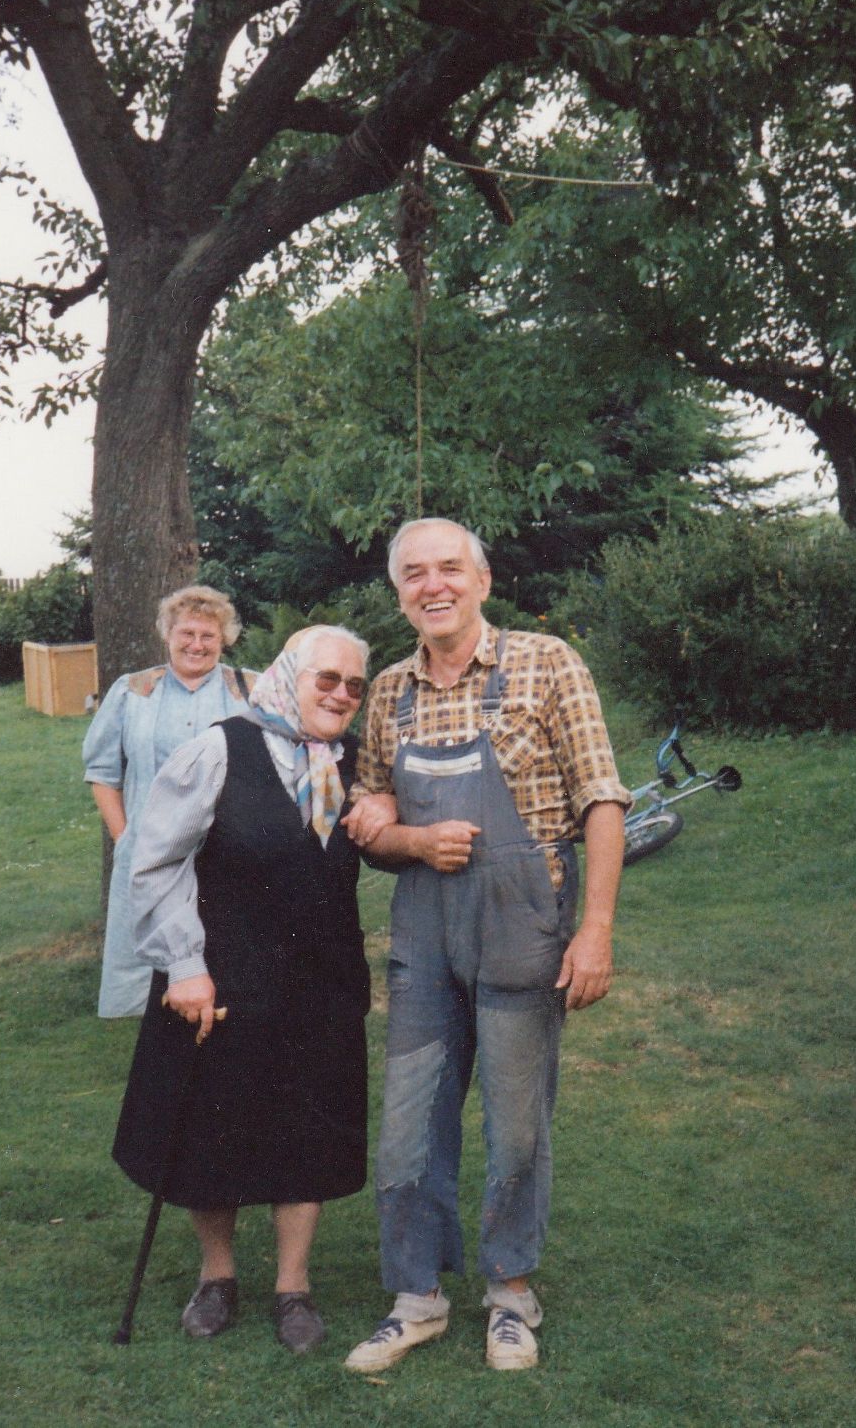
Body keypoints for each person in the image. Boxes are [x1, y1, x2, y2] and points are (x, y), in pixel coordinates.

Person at [342, 518, 631, 1373]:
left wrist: (595, 929)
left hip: (520, 919)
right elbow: (370, 820)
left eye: (448, 569)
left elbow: (602, 799)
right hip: (424, 929)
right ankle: (416, 1298)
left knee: (515, 1124)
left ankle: (510, 1293)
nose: (432, 586)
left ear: (482, 580)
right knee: (408, 1122)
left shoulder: (547, 663)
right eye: (414, 574)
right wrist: (404, 837)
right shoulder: (388, 690)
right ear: (398, 591)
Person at [112, 625, 385, 1354]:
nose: (342, 695)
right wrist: (184, 965)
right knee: (212, 1126)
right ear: (287, 676)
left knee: (309, 1127)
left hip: (321, 981)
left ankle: (293, 1287)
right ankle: (217, 1276)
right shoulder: (219, 750)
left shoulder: (353, 762)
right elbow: (155, 859)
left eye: (354, 685)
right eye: (326, 679)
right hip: (222, 974)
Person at [82, 585, 257, 1017]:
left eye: (208, 635)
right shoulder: (132, 692)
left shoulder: (250, 691)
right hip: (149, 856)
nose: (197, 644)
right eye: (187, 633)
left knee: (225, 970)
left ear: (224, 639)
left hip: (225, 854)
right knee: (148, 980)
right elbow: (102, 773)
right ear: (168, 634)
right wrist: (124, 838)